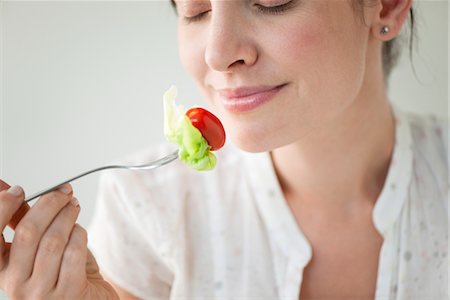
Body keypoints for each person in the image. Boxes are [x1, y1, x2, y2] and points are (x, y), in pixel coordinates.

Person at [0, 0, 447, 299]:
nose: (217, 53)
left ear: (385, 5)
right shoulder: (149, 204)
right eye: (195, 10)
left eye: (270, 1)